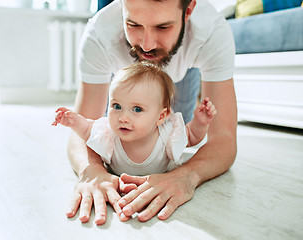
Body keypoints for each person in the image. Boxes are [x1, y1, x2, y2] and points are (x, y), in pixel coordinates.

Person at [66, 0, 237, 225]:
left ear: (188, 11)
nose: (146, 45)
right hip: (127, 81)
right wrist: (93, 171)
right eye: (133, 24)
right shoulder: (100, 33)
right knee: (118, 127)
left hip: (182, 71)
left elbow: (224, 139)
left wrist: (186, 176)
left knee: (172, 133)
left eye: (163, 27)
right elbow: (82, 132)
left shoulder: (212, 32)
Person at [53, 62, 216, 177]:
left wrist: (200, 123)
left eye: (137, 109)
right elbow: (88, 129)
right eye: (116, 106)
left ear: (161, 117)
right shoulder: (109, 134)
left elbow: (192, 137)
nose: (123, 117)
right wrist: (73, 120)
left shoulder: (168, 132)